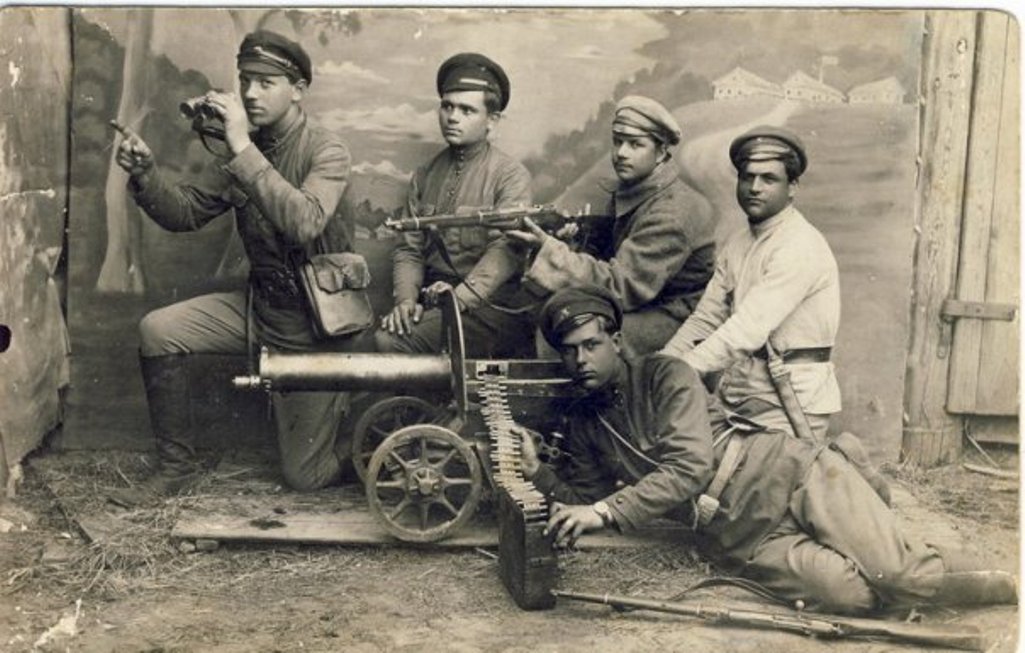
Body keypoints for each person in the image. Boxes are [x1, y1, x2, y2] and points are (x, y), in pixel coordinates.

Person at [515, 285, 1017, 615]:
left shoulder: (666, 376)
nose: (580, 360)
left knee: (900, 577)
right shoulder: (586, 422)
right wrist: (539, 473)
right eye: (569, 351)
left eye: (590, 345)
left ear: (617, 341)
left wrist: (602, 510)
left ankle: (1010, 583)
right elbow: (589, 501)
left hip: (790, 477)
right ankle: (889, 544)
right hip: (742, 535)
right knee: (853, 596)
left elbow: (690, 467)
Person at [112, 30, 356, 497]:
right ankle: (176, 468)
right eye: (245, 80)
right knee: (157, 330)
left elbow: (303, 223)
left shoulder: (327, 150)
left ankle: (357, 440)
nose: (250, 93)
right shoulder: (243, 146)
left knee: (304, 476)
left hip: (315, 326)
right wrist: (146, 175)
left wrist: (243, 146)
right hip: (258, 310)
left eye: (266, 82)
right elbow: (184, 213)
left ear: (298, 89)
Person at [661, 126, 838, 440]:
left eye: (769, 179)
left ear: (792, 187)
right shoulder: (738, 243)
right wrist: (662, 364)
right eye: (747, 177)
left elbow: (747, 329)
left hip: (790, 404)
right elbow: (705, 319)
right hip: (740, 397)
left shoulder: (799, 244)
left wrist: (681, 371)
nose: (755, 188)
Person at [506, 95, 715, 357]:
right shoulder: (640, 190)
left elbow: (622, 286)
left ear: (661, 152)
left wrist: (553, 252)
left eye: (635, 144)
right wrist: (569, 241)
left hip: (676, 316)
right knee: (542, 313)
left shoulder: (672, 211)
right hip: (646, 302)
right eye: (618, 141)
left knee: (571, 333)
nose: (621, 153)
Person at [374, 53, 534, 358]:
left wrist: (455, 301)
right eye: (447, 106)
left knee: (391, 342)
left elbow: (504, 251)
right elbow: (409, 249)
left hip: (488, 310)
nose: (452, 117)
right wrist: (406, 302)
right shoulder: (425, 174)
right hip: (434, 302)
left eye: (466, 110)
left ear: (492, 120)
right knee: (390, 330)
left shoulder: (510, 176)